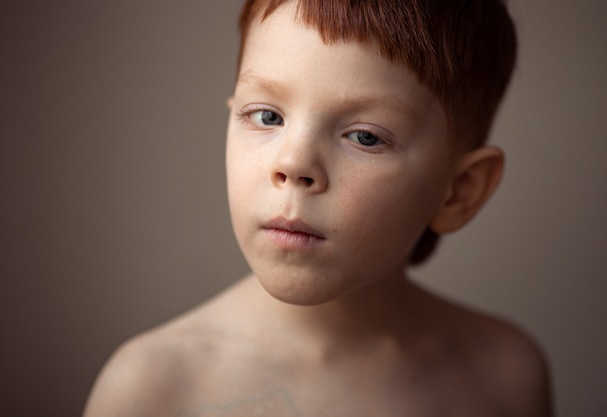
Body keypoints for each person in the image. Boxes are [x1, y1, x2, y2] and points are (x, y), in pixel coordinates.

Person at [83, 0, 552, 416]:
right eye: (267, 116)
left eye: (365, 136)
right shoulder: (152, 390)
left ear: (458, 191)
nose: (293, 164)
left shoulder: (506, 375)